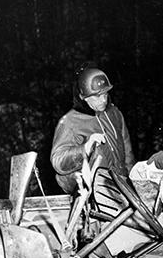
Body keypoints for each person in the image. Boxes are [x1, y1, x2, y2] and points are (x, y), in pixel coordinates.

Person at [51, 66, 135, 194]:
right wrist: (85, 149)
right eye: (97, 96)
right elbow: (58, 161)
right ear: (82, 96)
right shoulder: (70, 122)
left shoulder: (114, 113)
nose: (103, 100)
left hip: (122, 189)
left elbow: (127, 152)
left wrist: (133, 182)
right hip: (95, 193)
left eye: (105, 94)